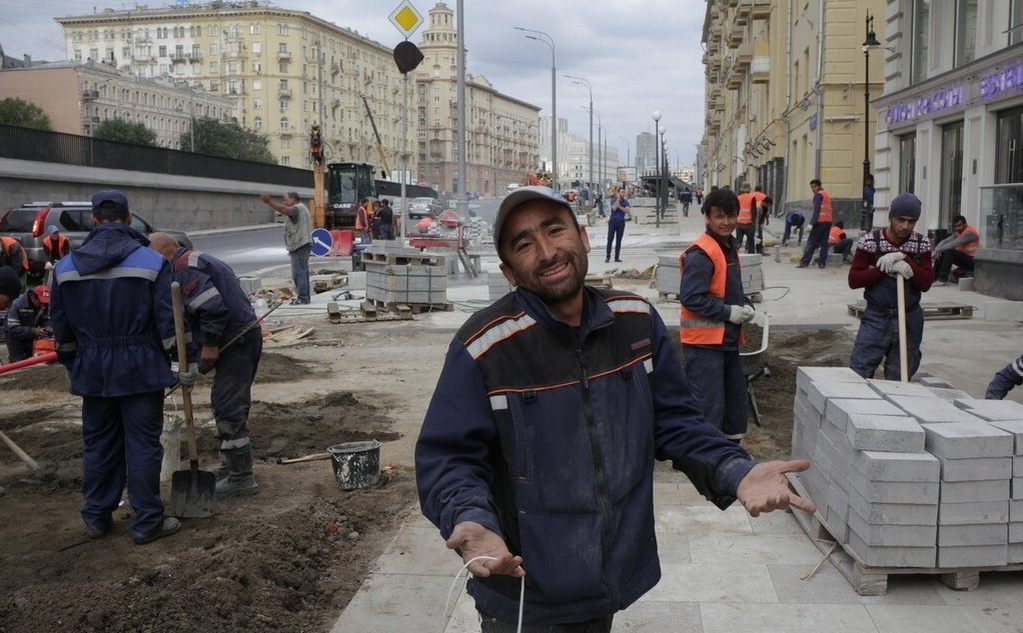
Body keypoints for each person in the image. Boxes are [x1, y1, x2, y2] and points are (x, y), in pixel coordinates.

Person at [415, 185, 814, 631]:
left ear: (583, 237)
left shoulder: (634, 321)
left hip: (608, 576)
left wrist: (734, 468)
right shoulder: (485, 347)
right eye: (524, 244)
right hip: (525, 587)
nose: (547, 251)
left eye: (554, 230)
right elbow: (448, 457)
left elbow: (676, 421)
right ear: (509, 272)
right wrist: (469, 519)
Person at [49, 189, 185, 545]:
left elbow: (61, 331)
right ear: (128, 219)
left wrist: (73, 365)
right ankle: (147, 522)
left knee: (98, 444)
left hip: (92, 369)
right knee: (142, 444)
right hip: (141, 367)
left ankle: (96, 517)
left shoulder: (65, 267)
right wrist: (180, 360)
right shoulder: (152, 261)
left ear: (93, 220)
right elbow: (168, 322)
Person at [148, 233, 263, 497]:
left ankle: (241, 477)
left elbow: (211, 307)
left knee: (228, 405)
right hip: (237, 338)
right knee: (224, 402)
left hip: (236, 339)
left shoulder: (184, 268)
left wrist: (208, 347)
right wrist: (194, 364)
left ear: (162, 252)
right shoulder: (188, 263)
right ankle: (230, 466)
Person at [679, 188, 756, 441]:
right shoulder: (702, 253)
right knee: (708, 409)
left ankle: (730, 455)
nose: (727, 222)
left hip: (726, 340)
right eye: (719, 216)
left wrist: (745, 305)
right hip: (704, 346)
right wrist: (727, 312)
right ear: (707, 217)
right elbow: (691, 297)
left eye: (731, 215)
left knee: (734, 405)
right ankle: (706, 460)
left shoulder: (728, 246)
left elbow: (729, 288)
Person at [847, 193, 934, 381]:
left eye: (911, 222)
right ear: (890, 216)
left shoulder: (921, 243)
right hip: (877, 317)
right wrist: (883, 269)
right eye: (900, 220)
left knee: (900, 374)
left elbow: (926, 283)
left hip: (909, 318)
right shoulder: (870, 241)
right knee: (859, 372)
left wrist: (905, 259)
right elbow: (854, 279)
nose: (905, 226)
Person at [259, 191, 312, 305]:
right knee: (302, 272)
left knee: (298, 273)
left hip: (300, 245)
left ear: (293, 199)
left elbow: (285, 210)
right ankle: (305, 297)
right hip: (302, 244)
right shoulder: (302, 208)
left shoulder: (297, 208)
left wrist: (268, 202)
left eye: (286, 200)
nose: (284, 202)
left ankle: (303, 298)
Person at [4, 285, 51, 363]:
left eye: (45, 302)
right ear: (33, 298)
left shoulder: (43, 305)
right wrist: (34, 331)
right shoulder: (16, 304)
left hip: (30, 332)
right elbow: (13, 328)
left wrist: (47, 327)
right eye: (41, 302)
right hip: (14, 335)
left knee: (30, 360)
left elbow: (45, 319)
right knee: (17, 361)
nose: (43, 305)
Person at [932, 215, 979, 286]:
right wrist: (937, 249)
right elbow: (946, 241)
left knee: (950, 251)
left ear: (965, 224)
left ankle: (942, 279)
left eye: (959, 225)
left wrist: (937, 250)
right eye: (956, 226)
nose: (958, 228)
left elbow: (953, 243)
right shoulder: (958, 233)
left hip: (974, 262)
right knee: (943, 251)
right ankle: (933, 278)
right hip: (966, 259)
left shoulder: (969, 233)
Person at [798, 179, 834, 268]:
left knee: (811, 242)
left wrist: (812, 223)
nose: (813, 189)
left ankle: (804, 262)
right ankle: (822, 263)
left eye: (814, 187)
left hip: (820, 223)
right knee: (824, 244)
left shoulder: (818, 195)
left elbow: (817, 210)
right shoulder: (826, 195)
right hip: (828, 223)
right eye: (811, 187)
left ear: (818, 186)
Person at [606, 187, 629, 263]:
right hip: (613, 222)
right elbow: (614, 208)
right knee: (610, 239)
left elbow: (627, 211)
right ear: (618, 193)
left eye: (624, 192)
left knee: (618, 240)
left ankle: (617, 257)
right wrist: (618, 200)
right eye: (622, 192)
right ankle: (608, 256)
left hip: (621, 222)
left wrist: (619, 206)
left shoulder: (626, 201)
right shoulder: (613, 200)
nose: (623, 193)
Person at [734, 183, 757, 255]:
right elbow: (754, 210)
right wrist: (754, 222)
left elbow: (736, 209)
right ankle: (751, 256)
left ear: (742, 190)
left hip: (739, 223)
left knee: (738, 241)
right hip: (749, 223)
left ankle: (735, 256)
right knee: (751, 242)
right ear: (749, 190)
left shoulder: (738, 198)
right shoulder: (752, 197)